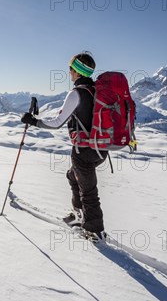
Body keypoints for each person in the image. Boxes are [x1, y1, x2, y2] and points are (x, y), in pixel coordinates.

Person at [21, 52, 107, 241]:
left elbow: (57, 122)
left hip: (83, 150)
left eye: (71, 68)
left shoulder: (77, 93)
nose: (69, 72)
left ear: (77, 71)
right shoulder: (98, 91)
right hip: (101, 149)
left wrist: (33, 122)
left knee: (89, 191)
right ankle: (78, 216)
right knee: (72, 176)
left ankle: (95, 231)